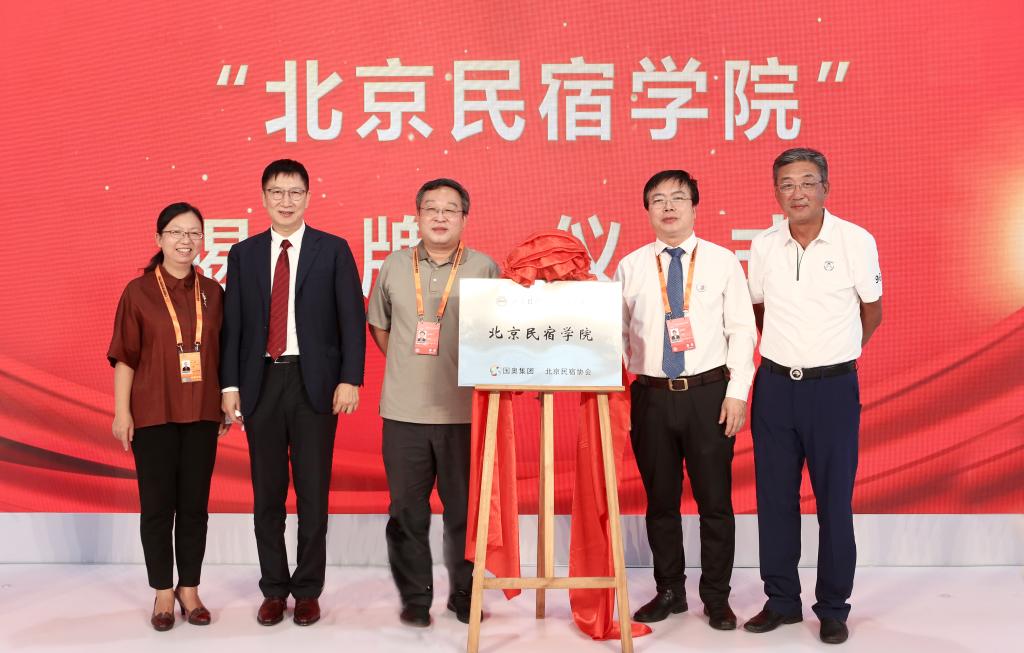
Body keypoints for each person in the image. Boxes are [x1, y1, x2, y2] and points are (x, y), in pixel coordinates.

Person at [743, 148, 882, 645]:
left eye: (806, 182)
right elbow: (758, 310)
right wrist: (789, 353)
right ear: (776, 192)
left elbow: (872, 311)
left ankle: (833, 607)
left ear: (826, 187)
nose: (796, 192)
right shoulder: (764, 245)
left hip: (833, 390)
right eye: (786, 184)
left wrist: (836, 354)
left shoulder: (855, 240)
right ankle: (781, 601)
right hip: (775, 388)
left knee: (834, 502)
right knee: (774, 500)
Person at [220, 159, 366, 627]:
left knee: (312, 494)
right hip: (261, 382)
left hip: (314, 385)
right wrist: (230, 385)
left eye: (295, 192)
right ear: (263, 197)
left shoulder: (333, 250)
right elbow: (233, 326)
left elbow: (352, 320)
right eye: (277, 193)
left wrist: (350, 378)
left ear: (308, 196)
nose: (286, 201)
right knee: (267, 495)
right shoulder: (243, 254)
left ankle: (306, 591)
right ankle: (273, 589)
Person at [615, 170, 756, 631]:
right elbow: (618, 335)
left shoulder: (722, 262)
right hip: (651, 397)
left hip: (708, 395)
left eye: (678, 198)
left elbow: (742, 330)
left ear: (695, 207)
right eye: (658, 199)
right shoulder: (631, 266)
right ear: (648, 211)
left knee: (715, 502)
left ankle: (716, 597)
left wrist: (737, 393)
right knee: (660, 502)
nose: (668, 207)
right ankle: (670, 591)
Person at [366, 178, 499, 627]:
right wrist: (409, 364)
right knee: (407, 512)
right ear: (417, 216)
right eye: (431, 209)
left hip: (464, 414)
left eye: (450, 209)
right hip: (403, 413)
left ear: (464, 218)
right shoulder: (394, 265)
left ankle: (464, 593)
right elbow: (380, 326)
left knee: (464, 512)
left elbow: (498, 334)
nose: (440, 217)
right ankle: (416, 599)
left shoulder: (485, 268)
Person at [108, 202, 228, 631]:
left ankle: (189, 588)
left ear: (203, 240)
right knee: (157, 507)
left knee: (195, 506)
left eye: (194, 233)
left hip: (201, 412)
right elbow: (125, 356)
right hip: (153, 412)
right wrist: (122, 411)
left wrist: (225, 401)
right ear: (158, 238)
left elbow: (223, 354)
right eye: (176, 232)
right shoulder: (138, 292)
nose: (185, 241)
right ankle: (162, 590)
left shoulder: (213, 292)